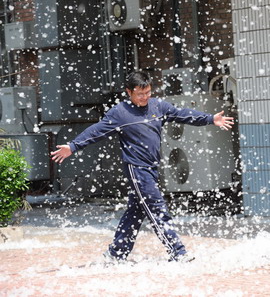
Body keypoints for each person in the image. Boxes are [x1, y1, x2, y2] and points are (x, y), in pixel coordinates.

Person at [50, 71, 234, 263]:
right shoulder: (120, 113)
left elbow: (182, 114)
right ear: (128, 92)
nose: (145, 97)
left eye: (147, 93)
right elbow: (96, 131)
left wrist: (210, 119)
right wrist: (73, 146)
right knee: (157, 209)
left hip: (152, 168)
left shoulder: (158, 106)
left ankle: (116, 254)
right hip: (136, 169)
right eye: (140, 94)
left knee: (135, 211)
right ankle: (177, 252)